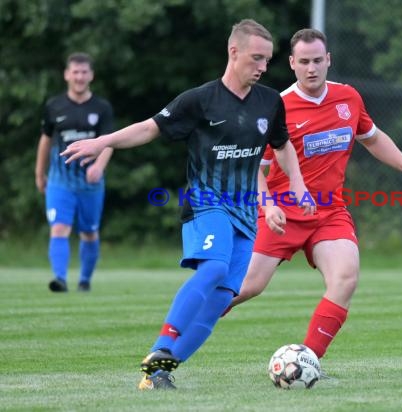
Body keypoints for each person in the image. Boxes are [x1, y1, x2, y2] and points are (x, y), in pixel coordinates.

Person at [61, 19, 313, 390]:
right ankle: (162, 345)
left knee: (221, 298)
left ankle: (158, 372)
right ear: (233, 52)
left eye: (267, 60)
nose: (262, 66)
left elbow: (282, 145)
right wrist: (103, 142)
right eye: (256, 58)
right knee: (212, 268)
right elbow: (149, 128)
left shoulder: (270, 102)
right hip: (206, 202)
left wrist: (297, 184)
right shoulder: (199, 100)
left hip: (246, 214)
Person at [224, 28, 402, 362]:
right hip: (282, 211)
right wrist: (269, 204)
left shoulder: (348, 98)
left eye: (317, 60)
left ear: (328, 60)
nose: (311, 68)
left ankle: (307, 363)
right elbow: (252, 169)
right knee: (246, 286)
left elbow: (372, 137)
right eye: (304, 61)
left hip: (328, 211)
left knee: (345, 277)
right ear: (292, 63)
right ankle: (182, 328)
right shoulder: (276, 108)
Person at [35, 52, 114, 293]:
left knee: (89, 232)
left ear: (91, 75)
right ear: (67, 75)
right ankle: (59, 279)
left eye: (84, 72)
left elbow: (109, 142)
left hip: (90, 184)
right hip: (60, 181)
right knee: (59, 227)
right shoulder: (54, 106)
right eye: (75, 72)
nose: (79, 77)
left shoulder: (102, 108)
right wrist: (40, 172)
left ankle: (84, 281)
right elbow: (45, 140)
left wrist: (99, 166)